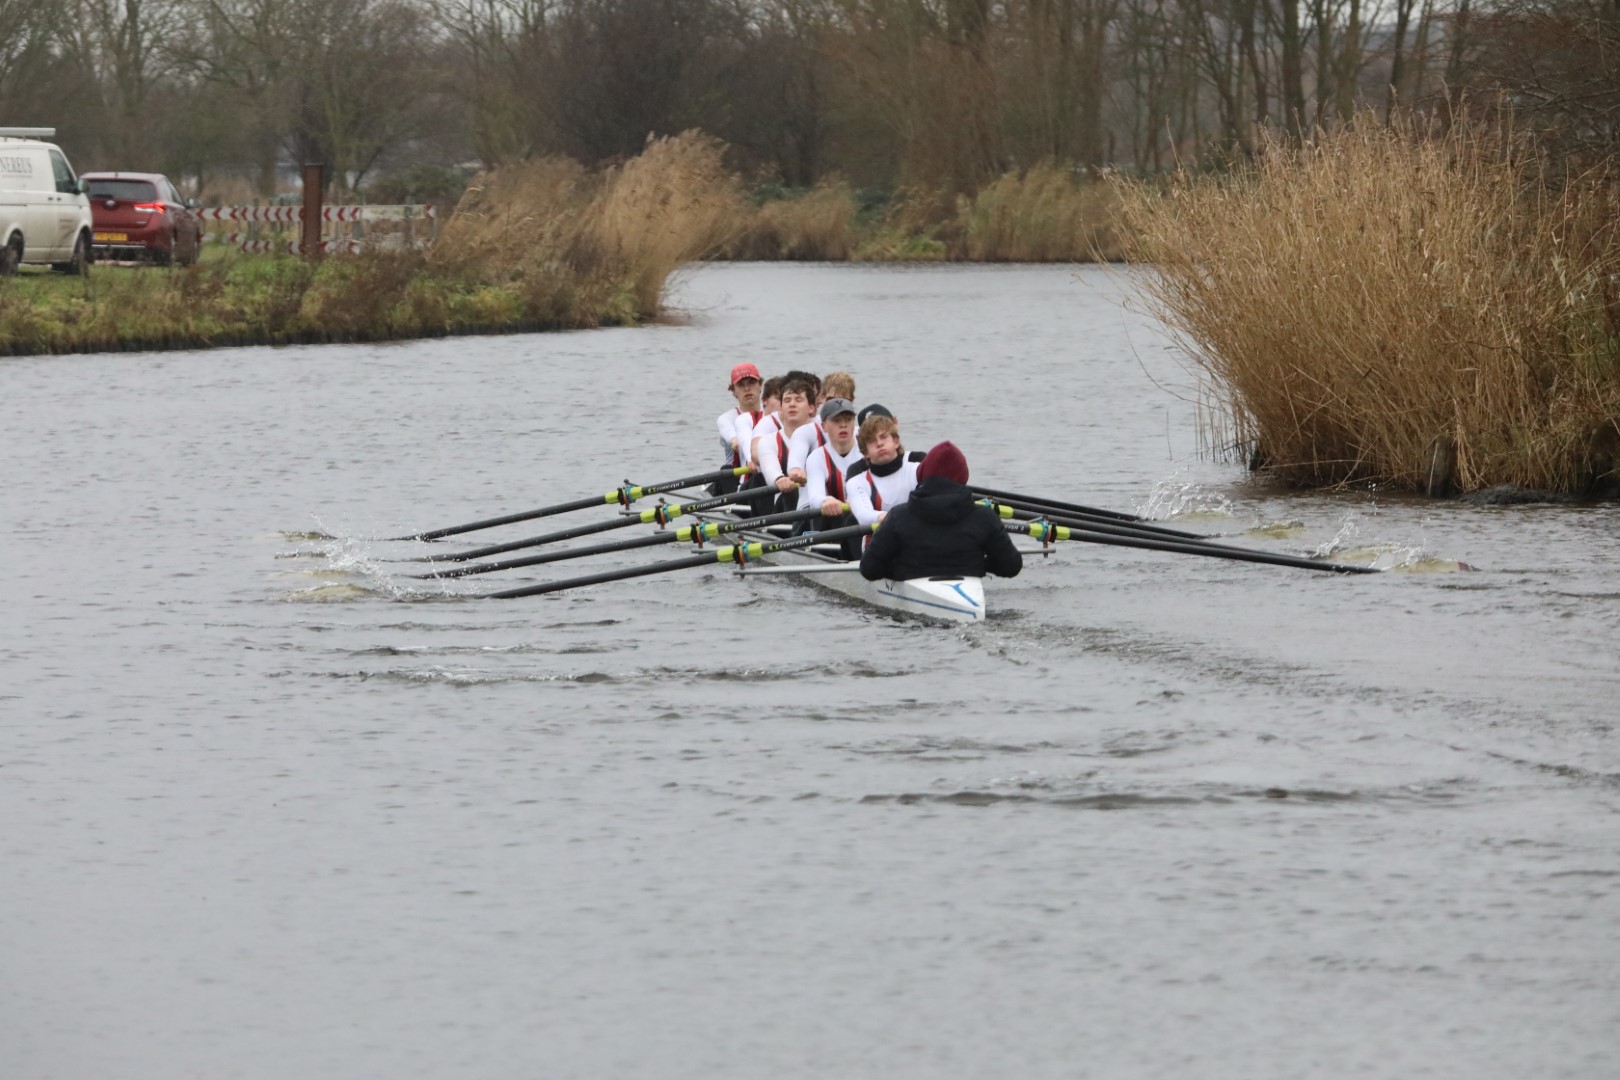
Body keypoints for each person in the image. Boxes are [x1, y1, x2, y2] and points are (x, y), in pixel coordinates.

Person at [859, 441, 1023, 583]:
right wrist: (977, 565)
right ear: (963, 477)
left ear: (924, 475)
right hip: (968, 588)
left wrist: (899, 568)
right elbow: (1011, 566)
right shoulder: (985, 517)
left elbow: (869, 569)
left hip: (912, 589)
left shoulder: (898, 516)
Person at [845, 407, 927, 527]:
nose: (879, 444)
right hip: (877, 537)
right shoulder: (856, 482)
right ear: (865, 452)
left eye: (883, 437)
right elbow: (863, 515)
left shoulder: (918, 470)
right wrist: (884, 517)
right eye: (872, 441)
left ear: (896, 441)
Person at [799, 397, 865, 543]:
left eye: (848, 419)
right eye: (836, 420)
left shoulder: (866, 452)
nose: (843, 425)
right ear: (824, 426)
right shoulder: (817, 457)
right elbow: (815, 496)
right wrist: (826, 501)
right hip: (830, 523)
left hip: (861, 519)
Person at [713, 363, 763, 495]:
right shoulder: (726, 419)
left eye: (751, 382)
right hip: (737, 481)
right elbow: (734, 438)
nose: (747, 388)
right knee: (726, 469)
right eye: (741, 385)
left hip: (765, 475)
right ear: (734, 391)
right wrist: (735, 440)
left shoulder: (772, 414)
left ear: (760, 386)